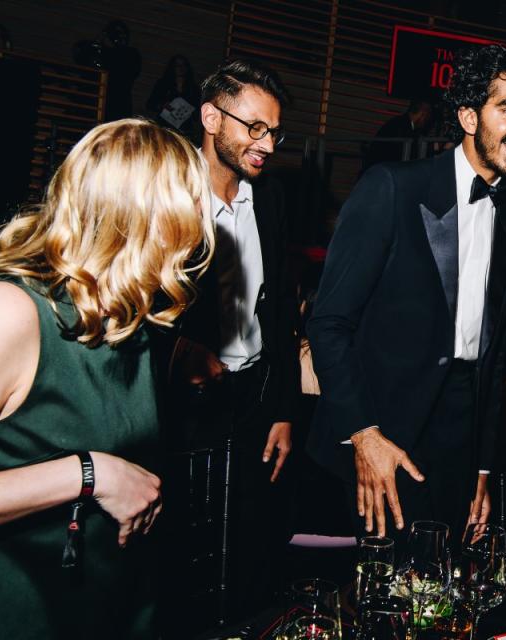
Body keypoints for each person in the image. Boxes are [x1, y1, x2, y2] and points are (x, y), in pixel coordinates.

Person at [307, 44, 506, 543]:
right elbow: (329, 323)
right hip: (379, 431)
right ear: (467, 116)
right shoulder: (393, 189)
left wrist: (484, 470)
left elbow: (497, 358)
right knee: (367, 595)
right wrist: (363, 434)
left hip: (459, 443)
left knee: (442, 594)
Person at [0, 118, 214, 639]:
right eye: (186, 207)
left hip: (110, 606)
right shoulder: (16, 312)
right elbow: (98, 470)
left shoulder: (129, 320)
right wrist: (89, 473)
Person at [159, 58, 299, 618]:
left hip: (255, 394)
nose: (266, 144)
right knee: (176, 540)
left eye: (274, 131)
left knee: (248, 537)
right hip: (185, 397)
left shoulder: (269, 198)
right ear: (212, 118)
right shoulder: (165, 190)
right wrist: (174, 352)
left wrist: (284, 407)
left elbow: (282, 306)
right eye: (254, 127)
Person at [362, 99, 433, 172]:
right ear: (422, 113)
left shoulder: (401, 123)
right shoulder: (402, 127)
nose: (426, 120)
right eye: (427, 116)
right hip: (381, 172)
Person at [146, 54, 201, 138]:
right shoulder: (162, 84)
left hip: (183, 130)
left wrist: (191, 111)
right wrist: (162, 105)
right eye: (177, 65)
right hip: (164, 127)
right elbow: (150, 104)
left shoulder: (193, 88)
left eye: (183, 65)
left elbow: (197, 112)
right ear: (172, 67)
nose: (180, 68)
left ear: (187, 68)